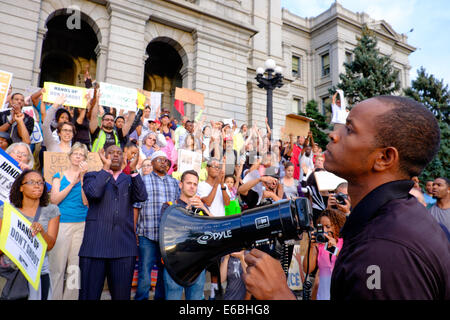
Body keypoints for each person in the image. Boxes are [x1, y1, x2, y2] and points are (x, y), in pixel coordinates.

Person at [243, 95, 450, 300]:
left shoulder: (383, 249)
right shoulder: (397, 222)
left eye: (350, 129)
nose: (334, 135)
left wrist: (278, 295)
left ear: (384, 158)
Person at [78, 145, 147, 300]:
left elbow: (142, 196)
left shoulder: (130, 179)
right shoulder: (92, 176)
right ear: (104, 155)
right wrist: (106, 168)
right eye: (111, 153)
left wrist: (134, 169)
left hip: (123, 248)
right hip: (95, 246)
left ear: (123, 158)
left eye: (118, 153)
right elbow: (94, 193)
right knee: (88, 295)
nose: (115, 155)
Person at [0, 170, 60, 300]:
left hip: (38, 273)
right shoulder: (6, 211)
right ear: (21, 187)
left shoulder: (52, 210)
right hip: (12, 272)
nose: (37, 185)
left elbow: (50, 246)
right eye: (32, 182)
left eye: (40, 182)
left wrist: (41, 233)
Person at [135, 150, 180, 300]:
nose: (163, 162)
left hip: (166, 237)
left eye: (166, 160)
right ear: (152, 163)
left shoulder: (174, 183)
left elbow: (178, 208)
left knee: (163, 273)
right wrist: (134, 231)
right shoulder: (143, 180)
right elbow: (136, 206)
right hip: (146, 234)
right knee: (145, 274)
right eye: (159, 160)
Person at [161, 170, 210, 300]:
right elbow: (167, 230)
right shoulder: (169, 206)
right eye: (189, 183)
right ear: (180, 185)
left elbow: (216, 227)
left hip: (198, 263)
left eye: (195, 184)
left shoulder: (201, 207)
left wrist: (204, 209)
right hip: (175, 262)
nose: (192, 186)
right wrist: (188, 208)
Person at [49, 143, 89, 300]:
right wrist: (72, 182)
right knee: (57, 266)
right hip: (62, 223)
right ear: (70, 155)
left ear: (85, 159)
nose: (78, 157)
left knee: (74, 267)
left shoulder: (88, 177)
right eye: (76, 154)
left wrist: (82, 178)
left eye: (82, 155)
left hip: (81, 224)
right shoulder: (58, 175)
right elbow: (54, 200)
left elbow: (86, 202)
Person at [301, 210, 346, 300]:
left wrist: (335, 249)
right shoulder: (319, 246)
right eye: (322, 227)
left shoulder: (345, 242)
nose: (324, 230)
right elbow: (307, 269)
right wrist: (311, 247)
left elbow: (349, 263)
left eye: (328, 227)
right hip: (323, 296)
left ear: (337, 227)